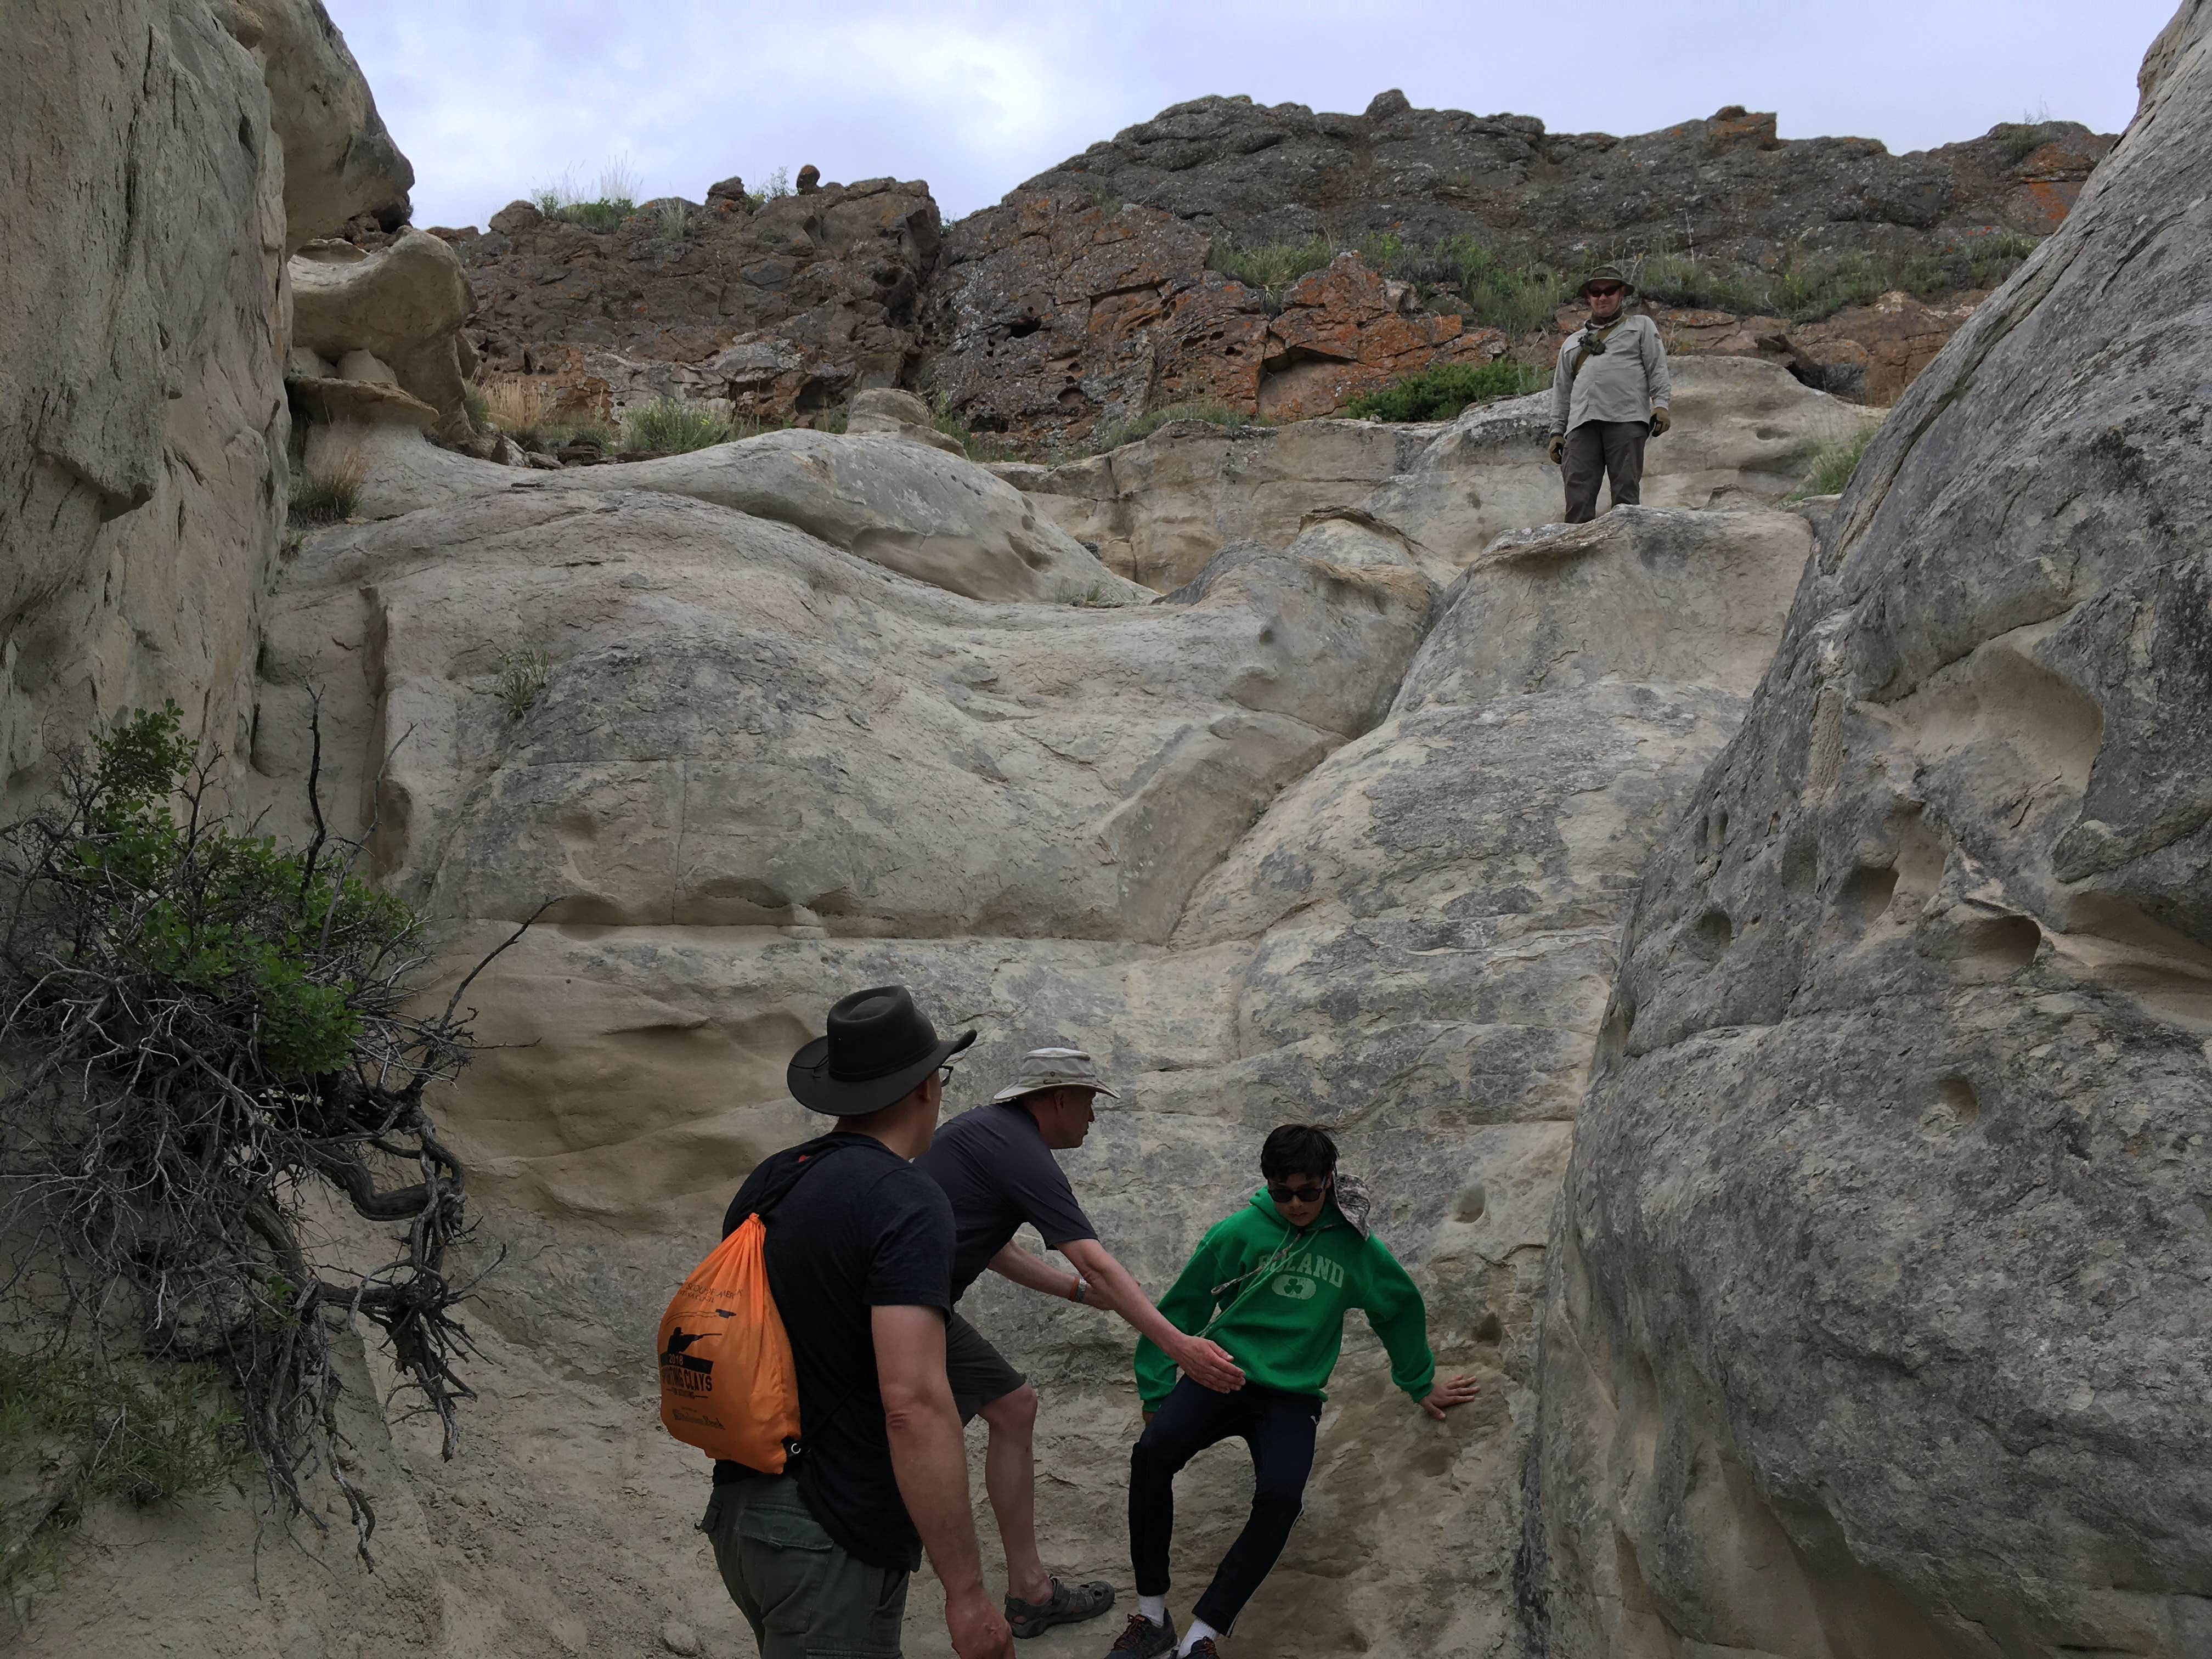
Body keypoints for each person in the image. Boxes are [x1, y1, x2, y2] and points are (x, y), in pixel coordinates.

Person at [702, 985, 1014, 1659]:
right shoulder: (906, 1200)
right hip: (830, 1530)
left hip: (744, 1514)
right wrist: (966, 1594)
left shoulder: (773, 1180)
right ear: (927, 1087)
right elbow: (913, 1403)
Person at [1104, 1125, 1481, 1659]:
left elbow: (1396, 1304)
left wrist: (1420, 1382)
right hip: (1222, 1372)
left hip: (1293, 1395)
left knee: (1282, 1498)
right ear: (1268, 1185)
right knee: (1151, 1455)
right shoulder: (1238, 1233)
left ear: (1329, 1181)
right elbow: (1180, 1308)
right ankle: (1151, 1617)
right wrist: (1155, 1388)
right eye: (1283, 1192)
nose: (1296, 1204)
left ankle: (1202, 1634)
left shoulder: (1354, 1247)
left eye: (1309, 1191)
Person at [916, 1047, 1247, 1640]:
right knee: (902, 1435)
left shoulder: (985, 1134)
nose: (1093, 1117)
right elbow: (1094, 1259)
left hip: (917, 1306)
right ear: (1058, 1098)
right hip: (899, 1312)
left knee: (1014, 1405)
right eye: (1090, 1102)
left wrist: (1072, 1292)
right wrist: (1178, 1346)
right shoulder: (1021, 1150)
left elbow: (988, 1245)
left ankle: (1031, 1593)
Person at [1545, 264, 1673, 524]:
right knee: (1577, 496)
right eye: (1596, 292)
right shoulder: (1572, 343)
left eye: (1609, 290)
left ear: (1622, 293)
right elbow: (1562, 391)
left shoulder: (1641, 326)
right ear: (1589, 297)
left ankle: (1624, 553)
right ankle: (1576, 556)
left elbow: (1657, 367)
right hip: (1581, 425)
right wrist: (1557, 432)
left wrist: (1661, 405)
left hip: (1625, 419)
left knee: (1626, 493)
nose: (1602, 297)